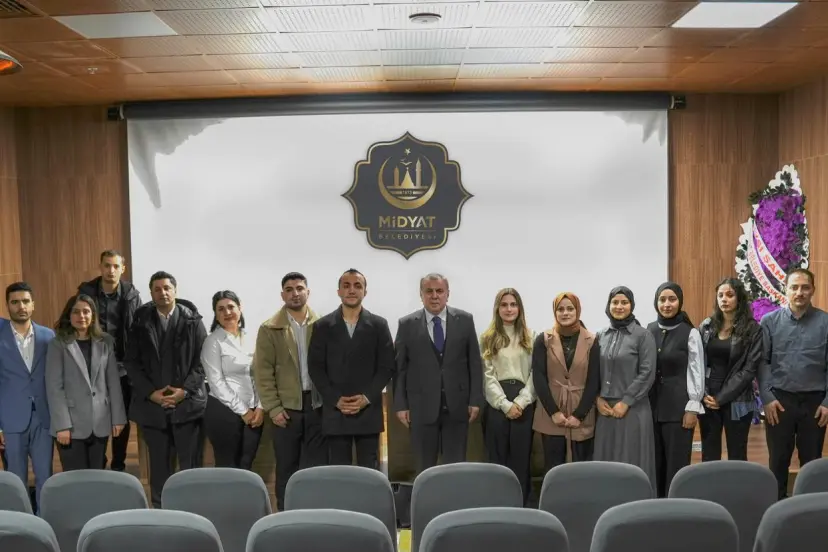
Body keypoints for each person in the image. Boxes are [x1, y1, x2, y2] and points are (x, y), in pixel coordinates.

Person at [124, 271, 208, 507]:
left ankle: (192, 510)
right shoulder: (140, 322)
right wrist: (151, 394)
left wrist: (185, 391)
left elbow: (203, 361)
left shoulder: (193, 320)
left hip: (187, 404)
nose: (163, 293)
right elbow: (131, 363)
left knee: (189, 466)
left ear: (175, 290)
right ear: (151, 293)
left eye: (167, 288)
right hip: (152, 406)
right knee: (159, 466)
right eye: (157, 289)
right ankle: (160, 511)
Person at [394, 273, 483, 473]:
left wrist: (475, 400)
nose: (434, 296)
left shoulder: (465, 320)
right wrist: (400, 404)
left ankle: (454, 495)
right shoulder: (406, 324)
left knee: (455, 468)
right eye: (429, 291)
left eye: (439, 291)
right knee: (424, 468)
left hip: (458, 407)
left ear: (447, 294)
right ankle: (426, 495)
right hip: (421, 408)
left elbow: (475, 363)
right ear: (421, 295)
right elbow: (400, 368)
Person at [254, 272, 327, 511]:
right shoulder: (269, 328)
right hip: (286, 408)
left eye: (299, 288)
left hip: (316, 405)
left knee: (316, 467)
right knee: (287, 466)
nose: (295, 293)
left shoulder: (323, 324)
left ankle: (314, 513)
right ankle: (286, 515)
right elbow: (262, 372)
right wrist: (273, 408)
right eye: (289, 289)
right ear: (282, 294)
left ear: (308, 292)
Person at [308, 269, 394, 468]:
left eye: (357, 286)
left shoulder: (379, 325)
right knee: (339, 471)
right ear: (339, 291)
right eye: (346, 286)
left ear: (365, 291)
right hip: (335, 410)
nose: (352, 290)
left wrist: (366, 397)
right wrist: (335, 399)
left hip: (368, 410)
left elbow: (387, 366)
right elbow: (315, 368)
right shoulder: (322, 326)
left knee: (370, 470)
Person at [758, 268, 828, 499]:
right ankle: (777, 510)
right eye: (794, 287)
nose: (799, 292)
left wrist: (827, 403)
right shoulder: (769, 322)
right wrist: (767, 398)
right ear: (785, 290)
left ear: (813, 290)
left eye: (805, 287)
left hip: (815, 403)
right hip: (779, 402)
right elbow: (762, 362)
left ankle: (810, 509)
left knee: (812, 463)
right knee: (778, 460)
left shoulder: (825, 322)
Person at [76, 250, 142, 471]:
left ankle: (118, 463)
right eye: (107, 265)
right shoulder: (86, 292)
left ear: (123, 269)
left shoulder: (132, 295)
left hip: (123, 365)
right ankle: (99, 460)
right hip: (94, 364)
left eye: (115, 266)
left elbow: (139, 329)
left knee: (121, 415)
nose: (111, 270)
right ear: (100, 267)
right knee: (98, 413)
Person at [46, 294, 127, 471]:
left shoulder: (105, 341)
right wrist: (62, 426)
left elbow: (113, 382)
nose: (81, 316)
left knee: (96, 476)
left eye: (86, 311)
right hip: (70, 425)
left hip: (100, 421)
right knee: (75, 478)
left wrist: (118, 418)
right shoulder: (58, 344)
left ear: (93, 315)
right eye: (76, 312)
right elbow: (54, 388)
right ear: (69, 315)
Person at [593, 286, 657, 492]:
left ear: (632, 305)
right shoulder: (600, 335)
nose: (619, 306)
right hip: (605, 411)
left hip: (633, 409)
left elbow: (647, 372)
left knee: (632, 462)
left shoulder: (643, 335)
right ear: (608, 305)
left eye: (624, 302)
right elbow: (592, 371)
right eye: (615, 302)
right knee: (605, 462)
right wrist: (597, 398)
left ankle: (636, 505)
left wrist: (626, 401)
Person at [0, 282, 55, 513]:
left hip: (43, 418)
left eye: (25, 301)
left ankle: (44, 523)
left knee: (46, 477)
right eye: (15, 302)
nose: (21, 306)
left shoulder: (48, 336)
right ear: (7, 306)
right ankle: (21, 524)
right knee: (16, 479)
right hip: (10, 420)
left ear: (33, 304)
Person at [647, 282, 705, 498]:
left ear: (680, 302)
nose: (667, 304)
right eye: (662, 299)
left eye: (672, 299)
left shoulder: (690, 332)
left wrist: (693, 407)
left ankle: (675, 506)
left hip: (679, 409)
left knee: (676, 464)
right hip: (651, 407)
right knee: (655, 463)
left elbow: (697, 370)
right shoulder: (649, 330)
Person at [532, 292, 600, 472]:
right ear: (555, 312)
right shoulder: (543, 339)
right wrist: (554, 412)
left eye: (570, 308)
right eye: (560, 309)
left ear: (578, 310)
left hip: (581, 412)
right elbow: (538, 377)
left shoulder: (592, 340)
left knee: (581, 469)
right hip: (551, 412)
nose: (565, 313)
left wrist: (579, 415)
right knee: (553, 467)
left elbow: (594, 380)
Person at [480, 288, 536, 504]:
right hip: (497, 404)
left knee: (521, 458)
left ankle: (521, 505)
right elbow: (487, 376)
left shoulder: (531, 336)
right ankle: (498, 503)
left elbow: (535, 375)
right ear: (497, 308)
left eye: (513, 304)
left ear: (519, 308)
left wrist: (520, 402)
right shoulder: (487, 338)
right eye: (504, 305)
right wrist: (504, 404)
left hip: (524, 403)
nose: (509, 309)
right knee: (497, 459)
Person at [698, 278, 762, 462]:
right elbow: (698, 363)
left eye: (729, 295)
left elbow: (749, 370)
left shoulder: (753, 329)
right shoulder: (707, 326)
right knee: (709, 454)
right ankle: (710, 483)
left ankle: (736, 483)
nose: (724, 299)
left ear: (739, 298)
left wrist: (721, 398)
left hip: (740, 399)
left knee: (737, 453)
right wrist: (704, 394)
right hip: (708, 397)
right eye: (720, 295)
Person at [201, 290, 263, 470]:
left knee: (247, 464)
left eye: (231, 307)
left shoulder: (252, 337)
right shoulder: (213, 341)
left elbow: (262, 374)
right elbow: (216, 382)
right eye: (221, 309)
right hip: (223, 411)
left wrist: (260, 407)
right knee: (227, 467)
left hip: (254, 412)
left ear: (240, 308)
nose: (227, 312)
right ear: (216, 314)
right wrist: (243, 411)